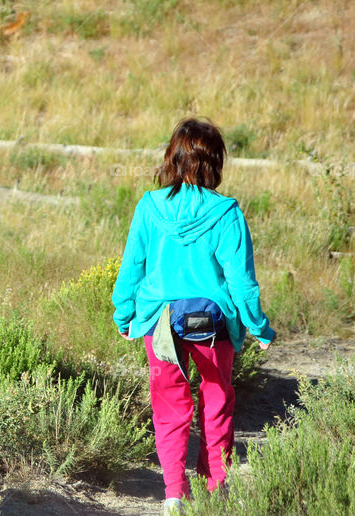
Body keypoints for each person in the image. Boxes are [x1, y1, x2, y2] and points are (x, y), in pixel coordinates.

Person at [111, 118, 275, 516]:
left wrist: (124, 314)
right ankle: (214, 492)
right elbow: (242, 282)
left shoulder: (149, 207)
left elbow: (131, 266)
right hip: (214, 321)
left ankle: (173, 496)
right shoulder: (227, 213)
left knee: (169, 407)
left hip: (159, 320)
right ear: (214, 161)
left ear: (174, 156)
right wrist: (258, 327)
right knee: (217, 403)